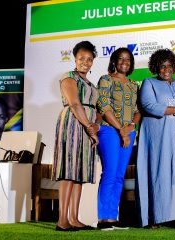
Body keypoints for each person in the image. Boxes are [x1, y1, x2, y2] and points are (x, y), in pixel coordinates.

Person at [136, 49, 175, 228]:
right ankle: (154, 217)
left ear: (174, 67)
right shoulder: (149, 82)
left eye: (169, 66)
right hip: (157, 137)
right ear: (156, 67)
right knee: (157, 172)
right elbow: (149, 105)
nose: (166, 70)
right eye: (162, 66)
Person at [52, 41, 100, 231]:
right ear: (75, 58)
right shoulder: (68, 77)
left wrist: (95, 125)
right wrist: (89, 126)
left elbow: (94, 108)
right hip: (72, 124)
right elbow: (75, 104)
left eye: (89, 59)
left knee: (79, 173)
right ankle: (62, 220)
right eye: (82, 59)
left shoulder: (91, 83)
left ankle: (74, 218)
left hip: (87, 127)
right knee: (68, 171)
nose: (85, 63)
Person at [96, 47, 141, 230]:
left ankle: (113, 217)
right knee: (110, 172)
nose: (124, 62)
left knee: (120, 175)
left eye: (128, 59)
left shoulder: (133, 84)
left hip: (128, 133)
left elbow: (138, 111)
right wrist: (121, 129)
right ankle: (103, 218)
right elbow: (103, 106)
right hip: (109, 131)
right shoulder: (106, 80)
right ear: (114, 61)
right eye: (121, 59)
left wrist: (131, 127)